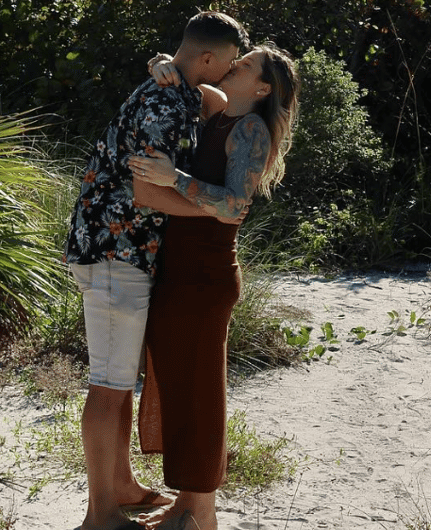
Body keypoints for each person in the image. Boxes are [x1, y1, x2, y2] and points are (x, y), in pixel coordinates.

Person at [64, 11, 249, 530]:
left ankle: (120, 485)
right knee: (108, 383)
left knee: (119, 380)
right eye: (228, 63)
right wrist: (218, 210)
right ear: (209, 58)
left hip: (123, 251)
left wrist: (167, 63)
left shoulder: (182, 93)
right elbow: (148, 192)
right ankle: (100, 514)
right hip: (113, 253)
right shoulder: (165, 104)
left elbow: (217, 99)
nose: (230, 73)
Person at [127, 43, 300, 530]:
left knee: (200, 390)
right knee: (182, 385)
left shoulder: (250, 129)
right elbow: (183, 74)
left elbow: (233, 208)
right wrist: (161, 64)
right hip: (180, 270)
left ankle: (201, 511)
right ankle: (186, 503)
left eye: (243, 66)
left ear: (261, 87)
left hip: (205, 277)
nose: (233, 65)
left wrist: (172, 177)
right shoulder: (219, 111)